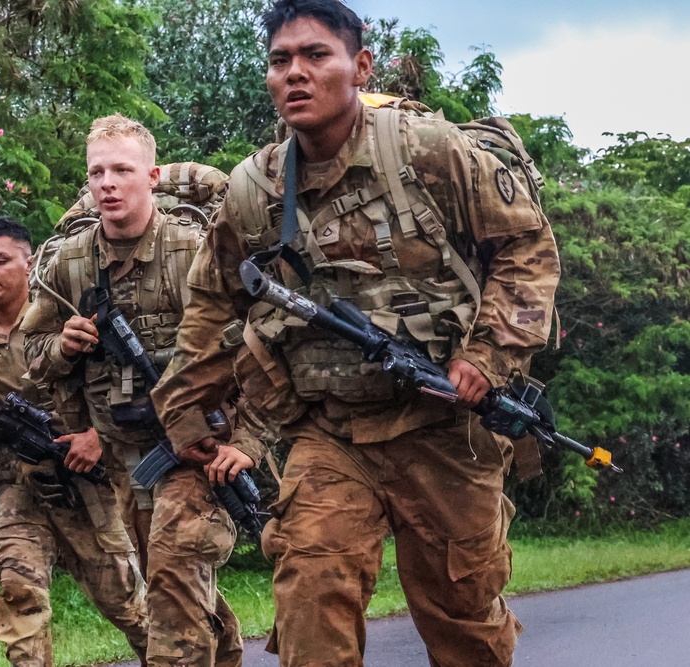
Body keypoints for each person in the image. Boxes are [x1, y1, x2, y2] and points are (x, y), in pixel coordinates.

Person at [151, 2, 561, 666]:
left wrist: (488, 356)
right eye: (281, 61)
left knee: (463, 621)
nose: (296, 74)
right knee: (310, 596)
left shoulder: (426, 151)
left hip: (444, 428)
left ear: (359, 66)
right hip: (332, 431)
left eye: (317, 56)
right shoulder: (255, 190)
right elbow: (209, 300)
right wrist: (184, 412)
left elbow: (526, 246)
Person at [22, 114, 263, 667]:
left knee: (175, 578)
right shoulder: (70, 264)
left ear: (151, 176)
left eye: (122, 170)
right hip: (126, 457)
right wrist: (63, 345)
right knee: (170, 580)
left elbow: (258, 356)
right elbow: (30, 354)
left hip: (199, 451)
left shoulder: (192, 252)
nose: (107, 183)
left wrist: (246, 445)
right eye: (96, 172)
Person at [0, 216, 148, 667]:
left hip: (86, 486)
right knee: (18, 590)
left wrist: (98, 439)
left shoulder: (67, 322)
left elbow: (128, 393)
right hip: (20, 490)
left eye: (0, 260)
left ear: (29, 264)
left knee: (130, 608)